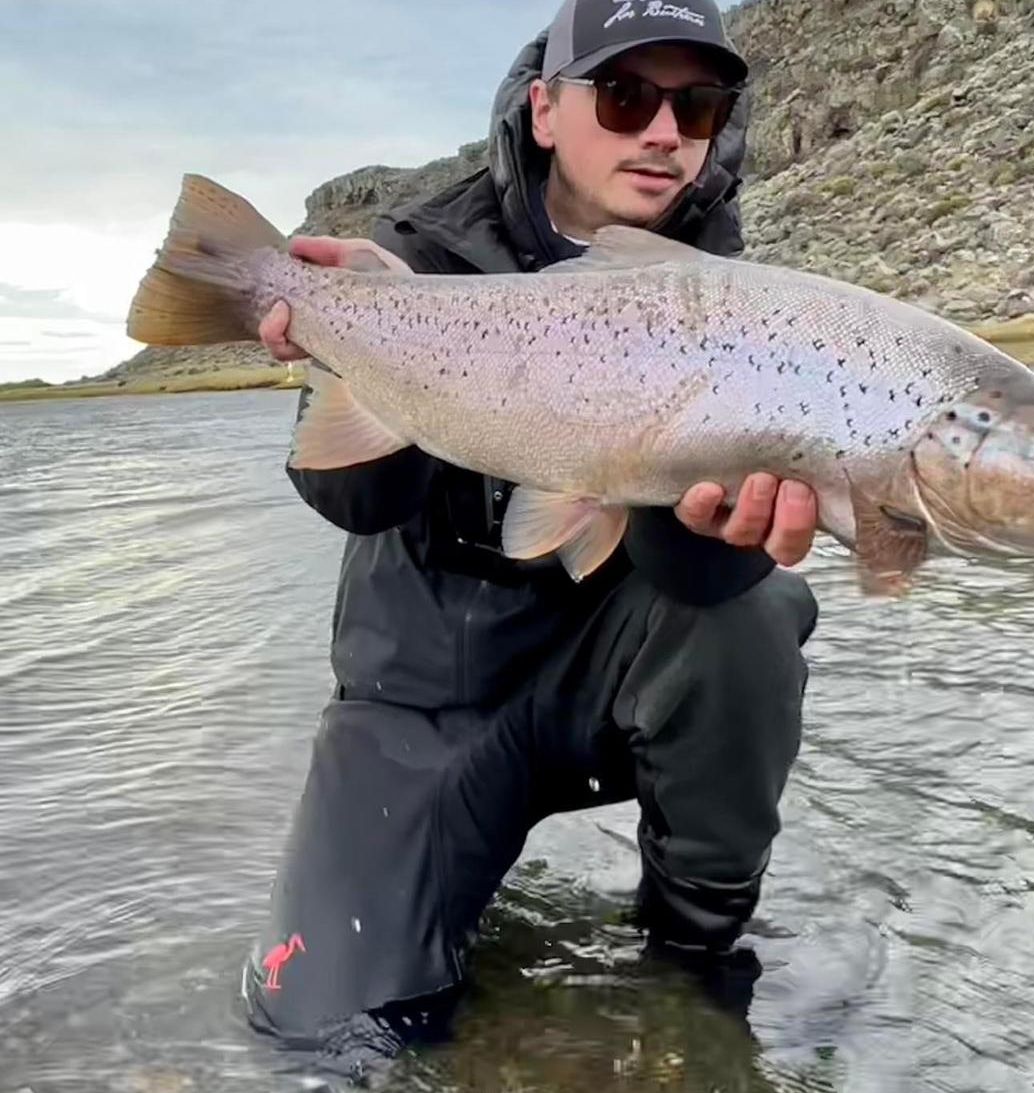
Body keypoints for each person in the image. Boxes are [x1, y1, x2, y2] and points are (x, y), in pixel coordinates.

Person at [240, 0, 821, 1068]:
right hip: (422, 689)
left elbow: (695, 587)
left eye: (695, 106)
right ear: (546, 110)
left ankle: (686, 961)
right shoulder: (413, 257)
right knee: (321, 1034)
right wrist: (377, 350)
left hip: (602, 676)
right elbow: (349, 502)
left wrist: (718, 526)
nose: (663, 132)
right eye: (626, 96)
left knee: (757, 603)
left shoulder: (730, 302)